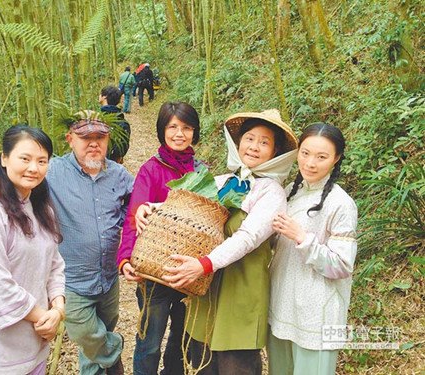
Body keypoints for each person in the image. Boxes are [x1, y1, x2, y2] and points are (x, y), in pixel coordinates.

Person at [0, 111, 134, 375]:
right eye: (85, 137)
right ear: (70, 139)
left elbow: (136, 204)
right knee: (90, 336)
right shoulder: (52, 172)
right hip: (74, 282)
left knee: (99, 336)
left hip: (107, 277)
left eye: (100, 137)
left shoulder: (119, 175)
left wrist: (129, 222)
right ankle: (114, 352)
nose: (94, 143)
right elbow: (13, 177)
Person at [161, 110, 299, 374]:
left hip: (241, 289)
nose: (254, 147)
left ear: (275, 151)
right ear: (239, 143)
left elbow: (248, 237)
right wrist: (151, 209)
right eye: (249, 138)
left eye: (264, 142)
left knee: (237, 364)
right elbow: (189, 210)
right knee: (203, 362)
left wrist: (204, 264)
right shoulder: (223, 181)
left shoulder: (271, 193)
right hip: (208, 285)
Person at [0, 125, 66, 375]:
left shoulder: (42, 209)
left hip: (35, 336)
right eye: (25, 158)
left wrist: (58, 310)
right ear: (4, 159)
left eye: (42, 161)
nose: (34, 167)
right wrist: (45, 316)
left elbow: (55, 264)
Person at [116, 102, 202, 375]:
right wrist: (126, 257)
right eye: (173, 127)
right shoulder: (151, 170)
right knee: (150, 341)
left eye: (187, 128)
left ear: (194, 132)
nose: (180, 133)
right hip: (154, 273)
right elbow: (134, 215)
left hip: (189, 270)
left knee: (181, 337)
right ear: (162, 130)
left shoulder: (201, 170)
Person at [268, 123, 358, 375]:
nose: (310, 163)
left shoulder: (341, 204)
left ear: (336, 158)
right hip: (282, 305)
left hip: (317, 315)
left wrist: (302, 237)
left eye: (321, 157)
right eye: (305, 153)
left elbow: (341, 266)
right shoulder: (289, 193)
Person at [99, 86, 131, 163]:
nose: (99, 96)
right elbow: (123, 146)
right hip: (114, 164)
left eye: (100, 94)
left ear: (104, 97)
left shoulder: (98, 118)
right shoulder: (121, 120)